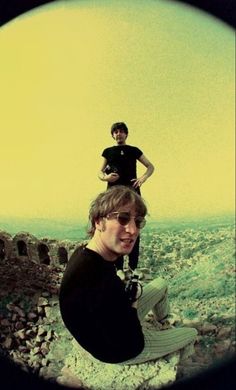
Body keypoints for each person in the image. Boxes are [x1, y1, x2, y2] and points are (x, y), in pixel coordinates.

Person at [59, 185, 197, 365]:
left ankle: (164, 322)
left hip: (108, 327)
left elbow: (109, 307)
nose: (133, 230)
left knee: (161, 283)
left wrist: (127, 298)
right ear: (98, 222)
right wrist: (133, 302)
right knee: (191, 333)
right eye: (122, 218)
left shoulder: (84, 254)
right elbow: (130, 338)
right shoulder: (99, 282)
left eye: (138, 221)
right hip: (123, 350)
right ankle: (164, 329)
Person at [98, 122, 155, 278]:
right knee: (116, 227)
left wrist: (142, 179)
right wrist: (106, 178)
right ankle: (118, 268)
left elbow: (150, 166)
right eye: (115, 132)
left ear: (126, 134)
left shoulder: (133, 150)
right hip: (114, 194)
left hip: (132, 193)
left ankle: (132, 266)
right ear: (112, 135)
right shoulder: (107, 152)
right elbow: (99, 172)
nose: (118, 134)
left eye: (121, 132)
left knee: (133, 227)